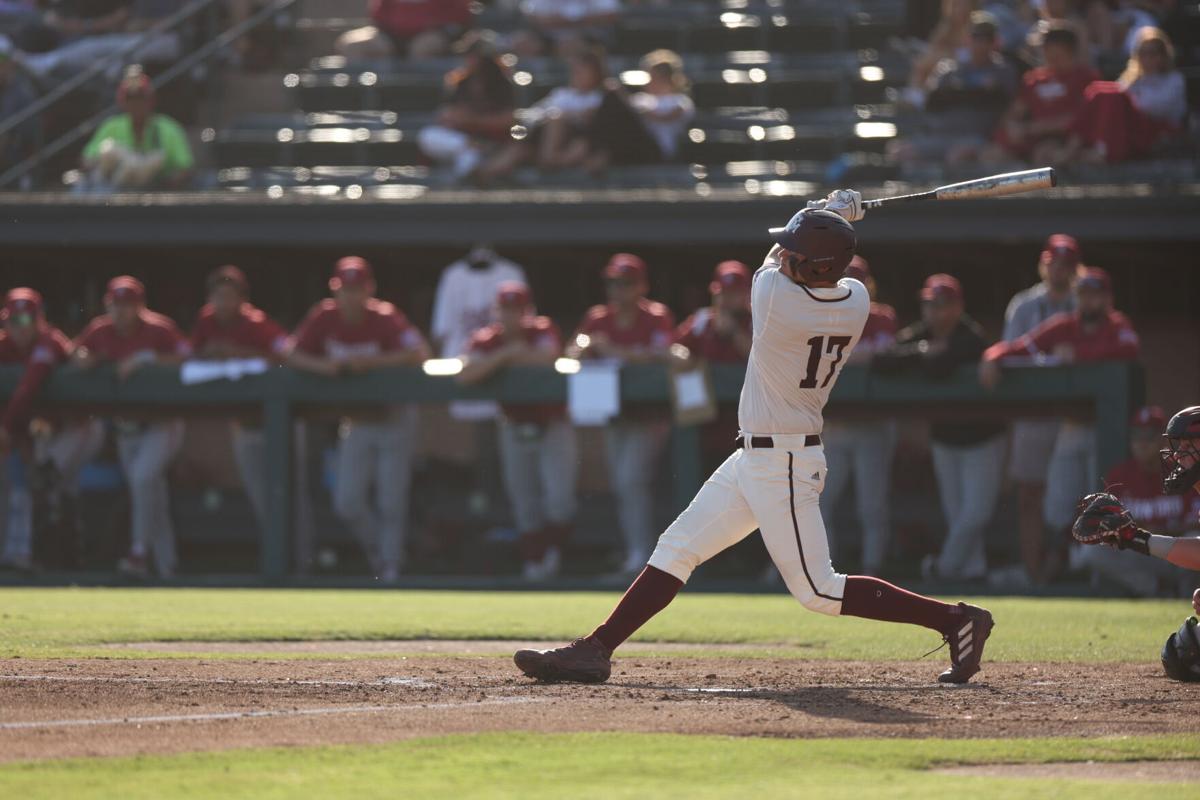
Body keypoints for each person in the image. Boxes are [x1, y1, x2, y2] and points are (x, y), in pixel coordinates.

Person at [514, 192, 995, 686]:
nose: (786, 253)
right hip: (758, 457)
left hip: (784, 460)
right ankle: (596, 649)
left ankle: (955, 620)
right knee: (677, 547)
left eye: (797, 253)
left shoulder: (774, 298)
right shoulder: (856, 299)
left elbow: (773, 261)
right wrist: (829, 219)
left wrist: (827, 208)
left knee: (819, 591)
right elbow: (804, 258)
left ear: (813, 266)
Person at [980, 266, 1140, 581]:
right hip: (1071, 426)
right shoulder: (1064, 326)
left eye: (1096, 295)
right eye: (1084, 294)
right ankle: (1059, 565)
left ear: (1107, 298)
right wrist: (992, 356)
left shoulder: (1118, 325)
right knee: (1057, 503)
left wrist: (1079, 354)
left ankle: (1101, 574)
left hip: (1105, 431)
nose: (1089, 301)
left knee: (1103, 500)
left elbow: (1128, 347)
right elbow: (1021, 346)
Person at [286, 257, 431, 581]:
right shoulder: (324, 316)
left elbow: (419, 353)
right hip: (357, 420)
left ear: (369, 290)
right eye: (345, 290)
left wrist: (372, 362)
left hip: (394, 416)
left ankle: (390, 568)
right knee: (347, 501)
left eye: (357, 289)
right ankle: (380, 553)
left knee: (391, 500)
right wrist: (324, 367)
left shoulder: (385, 316)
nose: (351, 296)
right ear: (336, 291)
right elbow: (290, 353)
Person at [873, 274, 1006, 582]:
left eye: (942, 305)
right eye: (930, 305)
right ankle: (973, 572)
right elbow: (883, 359)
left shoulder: (971, 336)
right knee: (957, 516)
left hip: (982, 437)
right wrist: (920, 350)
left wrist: (926, 356)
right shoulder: (922, 335)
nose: (935, 312)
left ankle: (942, 569)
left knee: (976, 515)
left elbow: (941, 366)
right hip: (945, 438)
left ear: (958, 307)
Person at [189, 265, 316, 573]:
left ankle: (305, 565)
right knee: (262, 498)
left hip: (280, 424)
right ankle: (279, 564)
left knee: (292, 495)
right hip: (244, 425)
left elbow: (287, 355)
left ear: (242, 299)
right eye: (219, 296)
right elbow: (187, 358)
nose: (224, 302)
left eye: (231, 296)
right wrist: (211, 353)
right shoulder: (206, 322)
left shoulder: (255, 323)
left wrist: (238, 352)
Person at [459, 282, 578, 582]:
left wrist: (502, 359)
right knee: (524, 500)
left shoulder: (542, 329)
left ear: (528, 311)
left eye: (517, 310)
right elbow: (466, 373)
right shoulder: (487, 339)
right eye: (505, 310)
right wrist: (506, 354)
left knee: (560, 498)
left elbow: (547, 357)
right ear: (496, 311)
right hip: (513, 424)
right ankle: (534, 561)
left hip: (552, 422)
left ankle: (552, 552)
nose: (511, 317)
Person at [73, 276, 191, 578]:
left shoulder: (158, 328)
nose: (121, 311)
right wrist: (89, 358)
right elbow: (75, 354)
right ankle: (169, 566)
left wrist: (147, 358)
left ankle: (138, 552)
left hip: (163, 424)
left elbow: (188, 357)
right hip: (128, 429)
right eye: (115, 305)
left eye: (127, 305)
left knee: (141, 480)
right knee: (152, 494)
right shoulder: (100, 330)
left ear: (140, 306)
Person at [1072, 404, 1200, 682]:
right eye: (1179, 445)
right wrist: (1135, 538)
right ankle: (1157, 588)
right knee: (1184, 652)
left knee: (1187, 652)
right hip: (1160, 562)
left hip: (1177, 564)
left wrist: (1138, 538)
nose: (1178, 455)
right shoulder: (1126, 473)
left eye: (1189, 445)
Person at [567, 253, 674, 576]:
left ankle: (644, 557)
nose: (618, 290)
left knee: (632, 481)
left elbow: (664, 354)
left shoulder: (656, 316)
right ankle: (636, 552)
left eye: (626, 283)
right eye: (613, 283)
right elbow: (571, 351)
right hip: (616, 417)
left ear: (641, 285)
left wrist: (616, 352)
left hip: (652, 416)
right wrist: (586, 349)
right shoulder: (598, 318)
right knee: (624, 484)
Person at [991, 233, 1080, 587]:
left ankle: (1068, 568)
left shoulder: (1082, 302)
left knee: (1075, 498)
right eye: (1054, 263)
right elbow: (1011, 354)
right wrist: (1051, 361)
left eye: (1067, 265)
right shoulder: (1025, 305)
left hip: (1072, 416)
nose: (1059, 271)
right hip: (1032, 414)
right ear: (1044, 265)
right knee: (1030, 495)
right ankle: (1034, 574)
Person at [0, 288, 103, 571]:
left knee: (48, 483)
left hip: (74, 429)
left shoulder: (50, 340)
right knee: (34, 485)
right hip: (33, 433)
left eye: (25, 320)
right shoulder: (4, 345)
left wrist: (6, 428)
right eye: (11, 321)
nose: (18, 328)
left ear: (38, 320)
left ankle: (55, 558)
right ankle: (31, 555)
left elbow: (28, 387)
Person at [818, 256, 898, 576]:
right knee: (820, 502)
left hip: (872, 426)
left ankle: (874, 568)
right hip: (833, 426)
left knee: (872, 505)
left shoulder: (882, 316)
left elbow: (884, 356)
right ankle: (823, 567)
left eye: (857, 281)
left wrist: (846, 358)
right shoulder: (822, 315)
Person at [1072, 406, 1195, 595]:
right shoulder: (1120, 475)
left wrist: (1162, 530)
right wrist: (1132, 534)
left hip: (1180, 553)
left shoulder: (1187, 472)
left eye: (1149, 436)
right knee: (1092, 551)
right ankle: (1158, 589)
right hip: (1142, 552)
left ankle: (1184, 594)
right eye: (1137, 436)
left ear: (1161, 440)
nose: (1142, 443)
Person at [894, 12, 1018, 166]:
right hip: (941, 134)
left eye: (986, 39)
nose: (980, 43)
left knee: (958, 157)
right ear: (967, 39)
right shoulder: (949, 70)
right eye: (976, 37)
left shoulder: (1003, 71)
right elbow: (931, 102)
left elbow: (1008, 106)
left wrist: (962, 93)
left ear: (995, 41)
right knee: (901, 152)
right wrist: (976, 93)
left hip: (976, 137)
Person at [1053, 26, 1185, 164]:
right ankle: (1075, 147)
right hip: (1131, 127)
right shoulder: (1132, 79)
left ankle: (1101, 150)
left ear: (1163, 56)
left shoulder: (1174, 80)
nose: (1147, 58)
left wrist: (1126, 98)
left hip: (1155, 130)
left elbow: (1156, 108)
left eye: (1153, 53)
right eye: (1142, 53)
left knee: (1113, 96)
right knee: (1098, 90)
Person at [476, 48, 606, 183]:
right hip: (541, 141)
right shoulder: (561, 94)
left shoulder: (600, 97)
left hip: (573, 144)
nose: (577, 75)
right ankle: (481, 176)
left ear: (596, 73)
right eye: (575, 71)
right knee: (519, 149)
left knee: (560, 123)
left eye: (582, 71)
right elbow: (535, 113)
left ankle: (550, 158)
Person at [989, 23, 1100, 164]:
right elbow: (1014, 113)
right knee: (992, 154)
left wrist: (1031, 128)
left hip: (1067, 140)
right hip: (1031, 139)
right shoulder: (1034, 79)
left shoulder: (1086, 78)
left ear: (1071, 52)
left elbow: (1079, 119)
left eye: (1058, 55)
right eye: (1047, 53)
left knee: (1045, 154)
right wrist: (1012, 127)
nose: (1051, 60)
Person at [417, 35, 516, 182]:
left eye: (474, 56)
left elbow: (508, 121)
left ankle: (467, 180)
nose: (469, 60)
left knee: (469, 156)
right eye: (469, 56)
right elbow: (447, 115)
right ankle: (469, 171)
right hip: (463, 140)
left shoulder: (502, 84)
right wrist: (468, 134)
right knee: (428, 136)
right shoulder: (460, 82)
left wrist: (472, 121)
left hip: (492, 143)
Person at [79, 68, 193, 191]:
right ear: (123, 102)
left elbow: (185, 167)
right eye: (131, 99)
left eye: (141, 98)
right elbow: (87, 159)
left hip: (153, 193)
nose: (136, 104)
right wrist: (108, 165)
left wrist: (161, 184)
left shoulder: (168, 128)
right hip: (111, 192)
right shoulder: (111, 126)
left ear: (150, 101)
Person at [335, 0, 473, 62]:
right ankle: (373, 99)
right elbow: (378, 13)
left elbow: (460, 15)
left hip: (431, 34)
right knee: (351, 45)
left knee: (422, 49)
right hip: (391, 35)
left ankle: (415, 100)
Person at [628, 49, 694, 164]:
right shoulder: (640, 99)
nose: (649, 82)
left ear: (668, 79)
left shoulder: (680, 100)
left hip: (662, 150)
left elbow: (670, 116)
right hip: (637, 146)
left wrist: (644, 113)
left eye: (655, 77)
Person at [513, 0, 622, 58]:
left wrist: (572, 22)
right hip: (548, 40)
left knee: (572, 46)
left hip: (587, 38)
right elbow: (530, 14)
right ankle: (527, 85)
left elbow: (611, 14)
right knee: (522, 42)